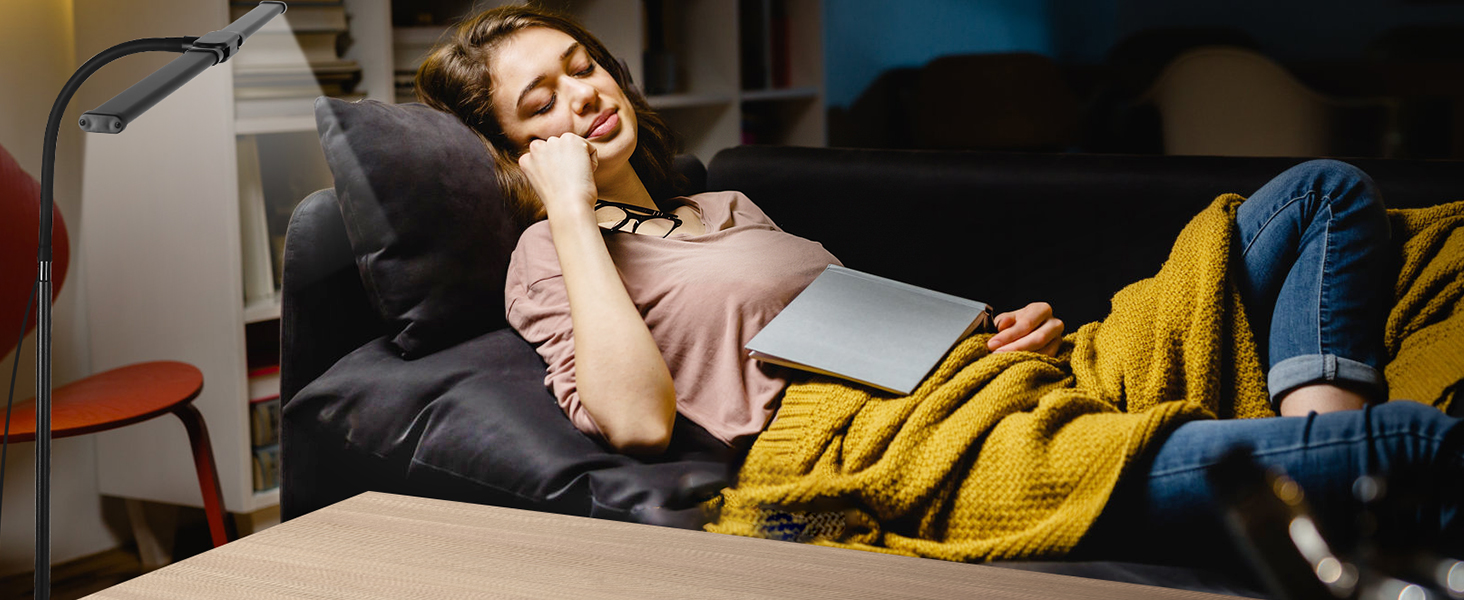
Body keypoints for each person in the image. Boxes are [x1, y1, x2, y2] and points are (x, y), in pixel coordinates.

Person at [416, 4, 1461, 570]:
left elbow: (839, 322)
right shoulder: (552, 258)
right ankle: (1345, 473)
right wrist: (560, 207)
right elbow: (639, 421)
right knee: (1420, 446)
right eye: (538, 102)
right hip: (915, 452)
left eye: (580, 65)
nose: (582, 98)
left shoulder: (720, 207)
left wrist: (990, 335)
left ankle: (1321, 450)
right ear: (512, 152)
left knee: (1318, 194)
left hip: (978, 383)